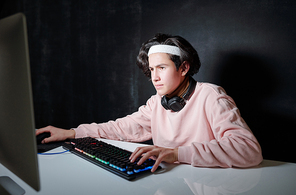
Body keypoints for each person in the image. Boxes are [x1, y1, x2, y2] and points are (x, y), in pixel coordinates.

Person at [36, 33, 263, 172]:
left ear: (183, 67)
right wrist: (72, 133)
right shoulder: (157, 102)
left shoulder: (211, 96)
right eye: (152, 70)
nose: (154, 77)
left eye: (161, 68)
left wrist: (177, 153)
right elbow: (119, 128)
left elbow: (248, 149)